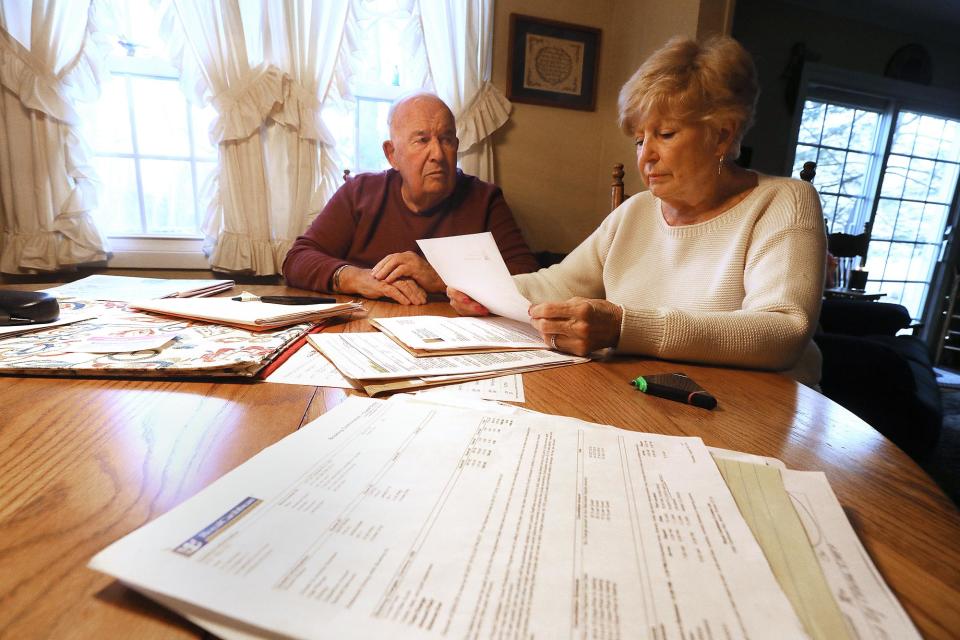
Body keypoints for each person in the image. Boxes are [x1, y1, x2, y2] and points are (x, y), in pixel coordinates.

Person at [449, 36, 826, 387]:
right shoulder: (636, 212)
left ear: (723, 134)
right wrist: (486, 292)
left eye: (665, 134)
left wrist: (623, 327)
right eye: (639, 139)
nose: (646, 156)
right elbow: (558, 284)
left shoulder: (784, 203)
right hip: (650, 400)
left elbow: (781, 332)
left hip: (756, 416)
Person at [282, 92, 538, 304]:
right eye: (422, 140)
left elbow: (528, 277)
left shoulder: (484, 200)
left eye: (446, 139)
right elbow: (297, 259)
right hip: (365, 331)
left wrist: (439, 278)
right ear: (392, 154)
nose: (437, 153)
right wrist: (357, 278)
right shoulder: (359, 193)